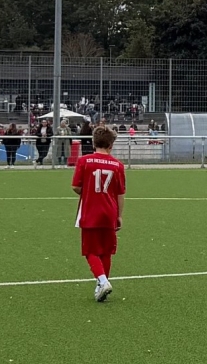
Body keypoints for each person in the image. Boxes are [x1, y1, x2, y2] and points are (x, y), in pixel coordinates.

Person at [73, 126, 127, 303]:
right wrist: (119, 215)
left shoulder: (84, 161)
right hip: (110, 212)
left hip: (90, 211)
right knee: (106, 251)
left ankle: (103, 281)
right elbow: (120, 193)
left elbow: (76, 186)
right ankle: (101, 286)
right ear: (111, 145)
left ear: (93, 143)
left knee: (90, 251)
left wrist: (88, 190)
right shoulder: (118, 165)